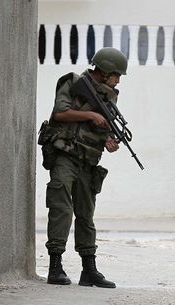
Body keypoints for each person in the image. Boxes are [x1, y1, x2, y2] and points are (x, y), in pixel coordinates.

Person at [38, 47, 128, 288]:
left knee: (86, 215)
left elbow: (100, 129)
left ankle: (89, 269)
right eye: (116, 75)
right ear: (105, 70)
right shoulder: (73, 82)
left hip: (88, 161)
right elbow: (60, 113)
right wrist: (90, 115)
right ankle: (55, 266)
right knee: (61, 207)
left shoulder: (109, 96)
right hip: (65, 155)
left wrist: (108, 140)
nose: (118, 80)